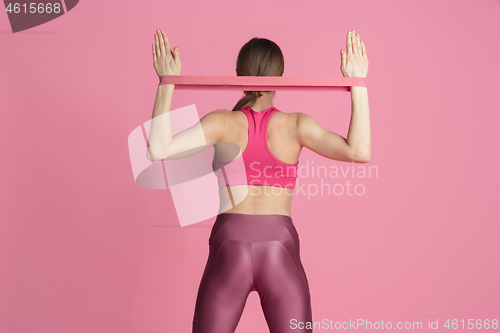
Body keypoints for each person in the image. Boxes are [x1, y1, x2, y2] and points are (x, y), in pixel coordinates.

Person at [147, 29, 370, 333]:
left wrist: (166, 82)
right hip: (279, 247)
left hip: (229, 247)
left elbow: (158, 149)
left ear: (238, 74)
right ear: (280, 76)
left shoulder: (221, 122)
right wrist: (358, 83)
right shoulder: (296, 125)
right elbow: (359, 151)